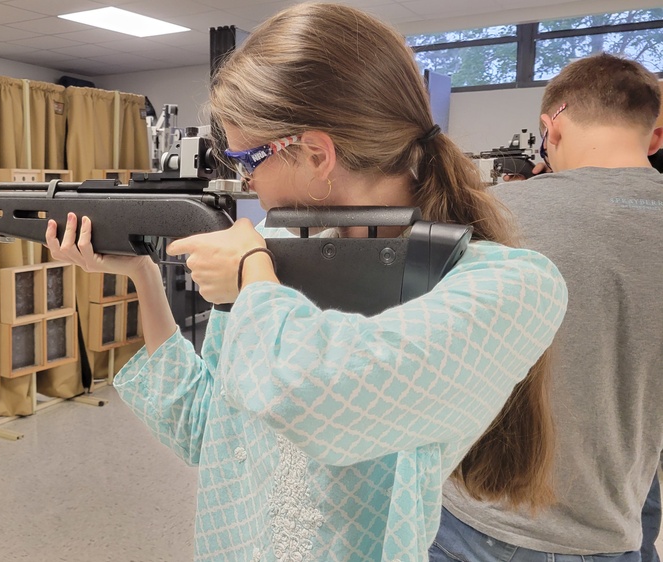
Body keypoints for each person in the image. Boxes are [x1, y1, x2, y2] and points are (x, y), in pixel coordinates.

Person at [46, 4, 567, 560]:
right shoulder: (276, 257)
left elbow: (316, 400)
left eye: (249, 159)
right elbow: (205, 431)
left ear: (316, 154)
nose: (246, 180)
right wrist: (142, 274)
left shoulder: (514, 285)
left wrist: (252, 277)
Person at [432, 53, 663, 562]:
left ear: (549, 128)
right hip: (616, 519)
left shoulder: (500, 214)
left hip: (486, 518)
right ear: (655, 135)